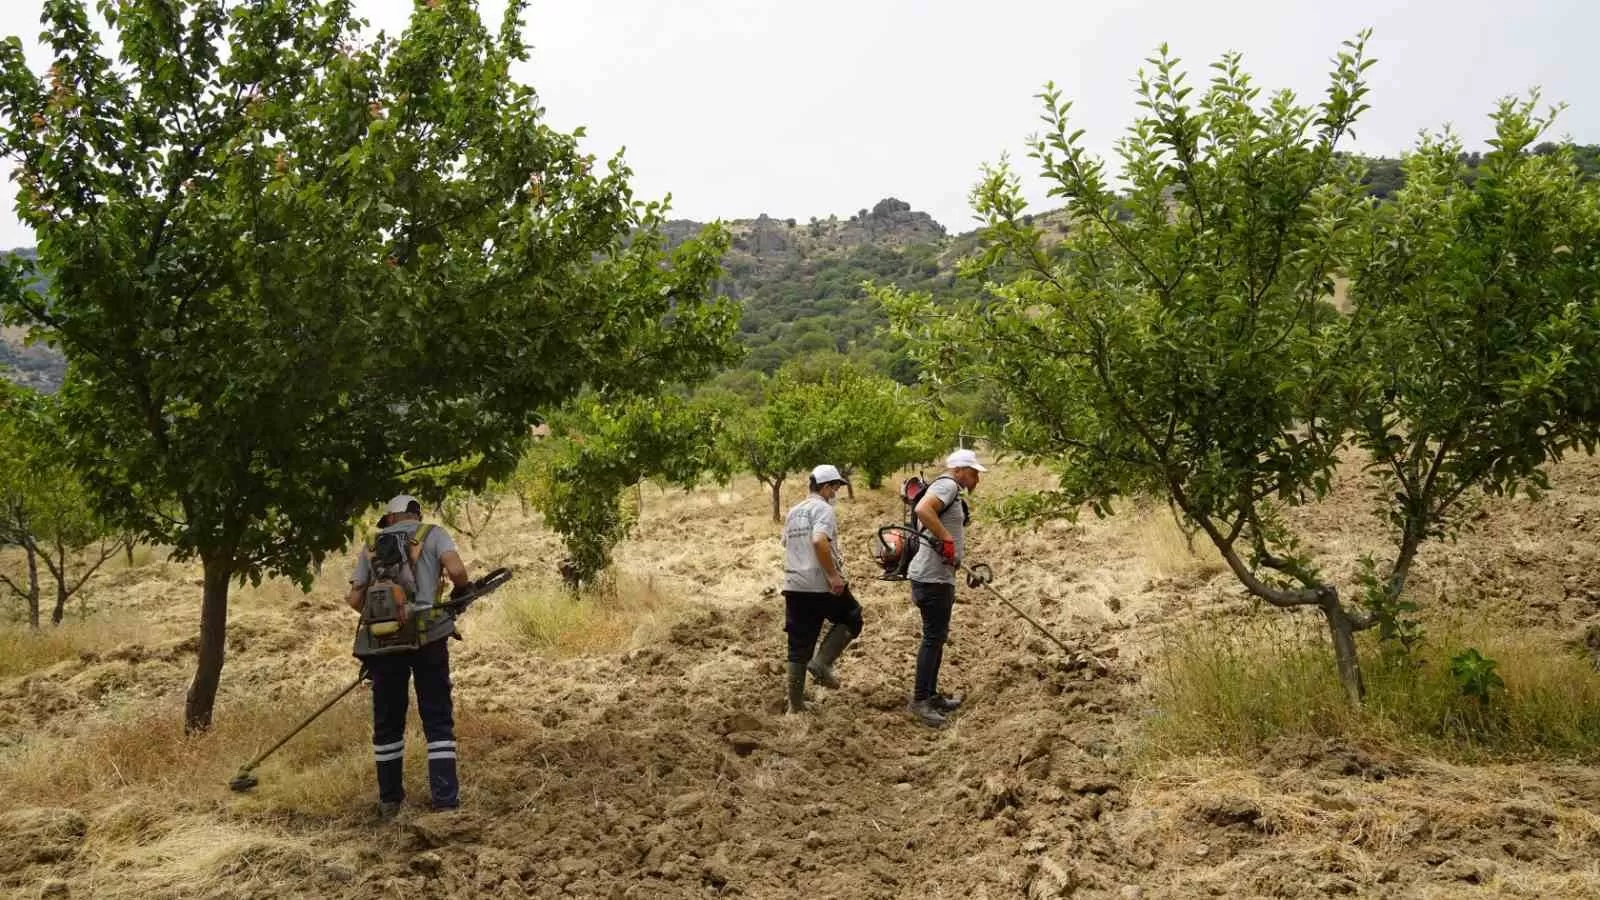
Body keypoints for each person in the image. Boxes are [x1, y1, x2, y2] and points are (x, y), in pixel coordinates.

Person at [347, 494, 473, 818]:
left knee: (387, 722)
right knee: (437, 718)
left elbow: (354, 598)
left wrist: (385, 615)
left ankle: (390, 801)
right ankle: (445, 800)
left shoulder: (371, 543)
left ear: (390, 518)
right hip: (429, 637)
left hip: (385, 643)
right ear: (416, 515)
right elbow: (457, 571)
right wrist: (461, 592)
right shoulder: (433, 534)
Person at [906, 448, 985, 727]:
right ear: (960, 470)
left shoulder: (949, 488)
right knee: (932, 638)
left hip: (938, 576)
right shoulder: (948, 485)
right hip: (931, 578)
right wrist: (947, 540)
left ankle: (931, 695)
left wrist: (954, 553)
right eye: (974, 473)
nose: (976, 479)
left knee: (937, 637)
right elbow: (923, 509)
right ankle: (920, 701)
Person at [780, 464, 863, 714]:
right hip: (820, 584)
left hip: (793, 585)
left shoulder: (793, 511)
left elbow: (787, 543)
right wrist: (833, 576)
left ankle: (795, 706)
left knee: (798, 643)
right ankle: (821, 664)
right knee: (852, 617)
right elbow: (818, 540)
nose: (836, 492)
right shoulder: (823, 509)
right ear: (826, 487)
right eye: (835, 487)